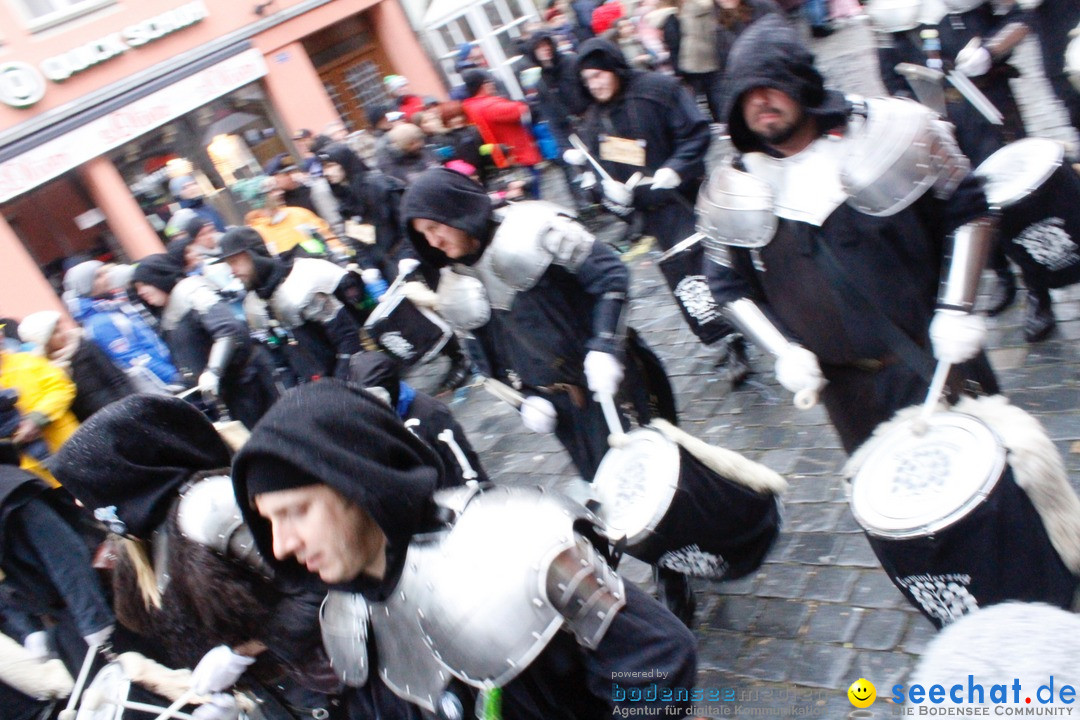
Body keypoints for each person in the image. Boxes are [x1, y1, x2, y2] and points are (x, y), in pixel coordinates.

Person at [231, 380, 699, 720]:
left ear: (357, 482)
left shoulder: (514, 539)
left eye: (296, 511)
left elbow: (657, 658)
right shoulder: (347, 619)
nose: (280, 544)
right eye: (268, 521)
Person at [696, 15, 999, 453]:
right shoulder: (735, 189)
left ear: (801, 83)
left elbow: (967, 207)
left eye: (771, 85)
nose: (760, 101)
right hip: (849, 395)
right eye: (745, 95)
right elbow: (727, 285)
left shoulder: (891, 131)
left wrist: (957, 310)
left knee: (991, 495)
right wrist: (784, 350)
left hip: (937, 359)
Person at [50, 394, 343, 720]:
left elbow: (328, 583)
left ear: (123, 472)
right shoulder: (143, 538)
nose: (80, 504)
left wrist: (240, 654)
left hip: (340, 673)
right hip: (293, 691)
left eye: (84, 486)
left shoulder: (208, 507)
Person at [573, 37, 752, 383]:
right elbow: (609, 171)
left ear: (613, 68)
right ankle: (728, 340)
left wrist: (677, 167)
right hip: (656, 216)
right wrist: (610, 195)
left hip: (691, 197)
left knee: (717, 264)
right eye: (588, 80)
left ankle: (749, 321)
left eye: (599, 75)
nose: (595, 85)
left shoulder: (658, 90)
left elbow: (696, 132)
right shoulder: (595, 123)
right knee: (688, 280)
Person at [131, 253, 278, 428]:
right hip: (226, 394)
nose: (141, 292)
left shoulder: (194, 294)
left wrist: (213, 371)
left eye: (144, 285)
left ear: (157, 278)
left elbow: (229, 331)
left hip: (247, 383)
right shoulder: (167, 312)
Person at [218, 227, 365, 379]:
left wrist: (339, 383)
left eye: (235, 262)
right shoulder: (253, 306)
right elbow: (281, 361)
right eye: (229, 265)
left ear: (254, 255)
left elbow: (348, 337)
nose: (232, 271)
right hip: (315, 385)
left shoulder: (304, 278)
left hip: (353, 373)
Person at [349, 351, 488, 487]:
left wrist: (477, 495)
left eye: (378, 398)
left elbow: (464, 461)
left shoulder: (430, 413)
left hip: (449, 493)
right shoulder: (369, 415)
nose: (373, 405)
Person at [62, 260, 180, 391]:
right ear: (86, 286)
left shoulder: (112, 307)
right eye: (99, 276)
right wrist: (173, 376)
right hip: (166, 383)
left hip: (170, 368)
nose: (107, 277)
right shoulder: (100, 322)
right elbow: (135, 359)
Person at [18, 310, 135, 422]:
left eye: (60, 329)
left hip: (119, 410)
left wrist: (129, 407)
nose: (62, 334)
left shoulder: (83, 346)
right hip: (90, 425)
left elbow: (117, 378)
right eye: (54, 333)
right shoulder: (43, 366)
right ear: (44, 341)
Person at [0, 341, 79, 485]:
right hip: (33, 475)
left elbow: (62, 388)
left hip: (72, 448)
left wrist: (37, 418)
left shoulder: (26, 361)